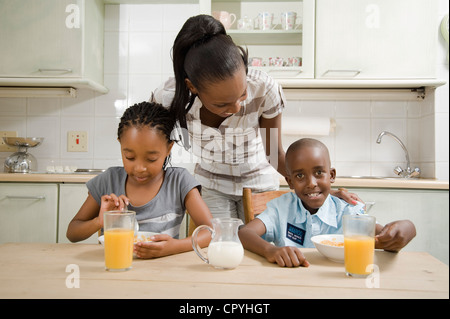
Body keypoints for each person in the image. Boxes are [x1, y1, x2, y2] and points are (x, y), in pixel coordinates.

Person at [152, 14, 359, 221]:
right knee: (218, 247)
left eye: (241, 95)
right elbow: (151, 151)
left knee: (261, 247)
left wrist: (321, 191)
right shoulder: (167, 98)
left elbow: (274, 153)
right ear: (192, 87)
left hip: (259, 182)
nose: (236, 108)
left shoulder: (263, 88)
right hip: (211, 185)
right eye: (221, 104)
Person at [238, 138, 416, 267]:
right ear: (290, 182)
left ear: (331, 176)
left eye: (318, 173)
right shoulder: (281, 208)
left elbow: (385, 235)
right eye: (300, 176)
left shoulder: (347, 211)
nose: (311, 183)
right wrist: (271, 250)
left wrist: (407, 228)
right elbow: (244, 234)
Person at [66, 101, 212, 259]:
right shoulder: (108, 180)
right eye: (130, 157)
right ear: (120, 145)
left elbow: (211, 232)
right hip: (115, 266)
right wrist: (100, 221)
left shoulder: (179, 182)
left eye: (151, 159)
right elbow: (72, 233)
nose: (139, 168)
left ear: (169, 149)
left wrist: (174, 247)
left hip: (163, 271)